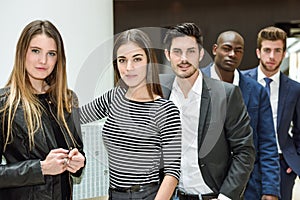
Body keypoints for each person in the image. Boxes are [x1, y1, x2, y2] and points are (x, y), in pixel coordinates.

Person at [80, 29, 182, 200]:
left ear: (149, 61)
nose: (129, 68)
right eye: (122, 60)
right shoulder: (114, 97)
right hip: (113, 194)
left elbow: (172, 173)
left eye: (137, 59)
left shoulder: (165, 110)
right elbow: (75, 117)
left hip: (148, 195)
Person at [160, 22, 255, 200]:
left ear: (201, 54)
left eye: (191, 51)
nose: (183, 59)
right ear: (168, 54)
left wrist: (226, 197)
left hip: (213, 195)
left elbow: (244, 151)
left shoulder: (226, 94)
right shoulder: (159, 90)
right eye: (177, 52)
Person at [0, 20, 85, 200]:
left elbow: (78, 152)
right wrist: (41, 168)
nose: (43, 61)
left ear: (58, 58)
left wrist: (78, 163)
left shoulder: (68, 100)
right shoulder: (4, 104)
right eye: (35, 51)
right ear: (22, 52)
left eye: (51, 53)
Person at [202, 30, 280, 200]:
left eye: (238, 50)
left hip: (247, 185)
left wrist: (271, 188)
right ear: (215, 49)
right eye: (227, 48)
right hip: (202, 184)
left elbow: (267, 142)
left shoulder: (256, 91)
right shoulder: (196, 82)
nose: (232, 54)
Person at [242, 26, 300, 200]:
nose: (272, 56)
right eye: (267, 50)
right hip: (247, 163)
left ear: (284, 54)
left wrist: (294, 163)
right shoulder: (242, 82)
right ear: (258, 52)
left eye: (277, 51)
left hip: (282, 165)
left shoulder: (295, 89)